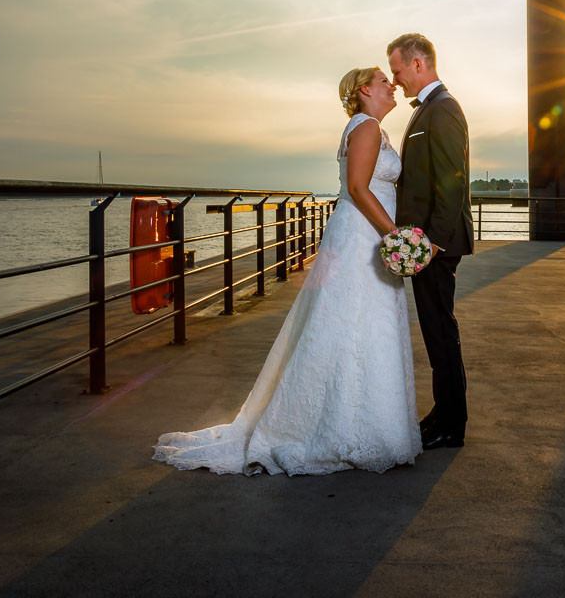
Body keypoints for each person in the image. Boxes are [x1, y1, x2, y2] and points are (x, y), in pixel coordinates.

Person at [152, 67, 422, 475]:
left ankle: (359, 418)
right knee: (355, 320)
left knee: (355, 322)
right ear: (365, 89)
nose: (393, 85)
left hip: (360, 233)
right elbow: (358, 188)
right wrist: (395, 235)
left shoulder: (370, 128)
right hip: (362, 236)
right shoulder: (365, 127)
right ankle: (343, 426)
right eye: (385, 80)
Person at [387, 33, 474, 450]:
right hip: (426, 244)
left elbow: (451, 180)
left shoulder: (444, 109)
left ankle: (451, 425)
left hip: (435, 246)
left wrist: (434, 242)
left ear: (418, 64)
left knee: (441, 330)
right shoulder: (429, 110)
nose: (396, 79)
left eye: (398, 70)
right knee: (435, 330)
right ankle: (442, 414)